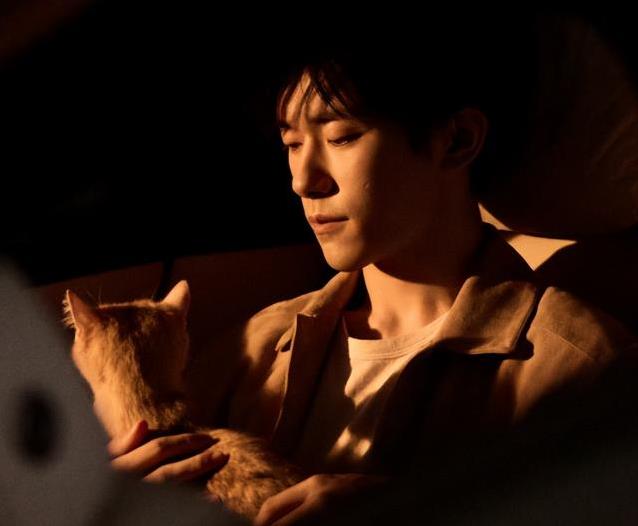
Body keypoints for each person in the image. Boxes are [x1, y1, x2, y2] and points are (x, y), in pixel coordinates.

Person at [108, 15, 638, 526]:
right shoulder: (249, 354)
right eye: (292, 144)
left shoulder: (576, 367)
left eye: (341, 137)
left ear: (456, 141)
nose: (304, 181)